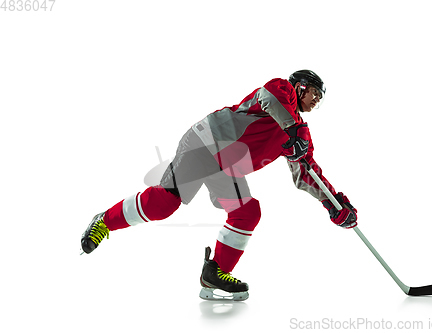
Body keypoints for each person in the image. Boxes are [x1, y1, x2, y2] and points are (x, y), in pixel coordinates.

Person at [80, 70, 358, 301]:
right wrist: (292, 130)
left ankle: (213, 274)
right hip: (206, 142)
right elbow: (267, 98)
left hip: (226, 165)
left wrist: (333, 203)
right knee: (165, 204)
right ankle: (104, 221)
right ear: (301, 86)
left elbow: (308, 174)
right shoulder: (282, 90)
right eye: (315, 95)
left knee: (248, 212)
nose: (315, 102)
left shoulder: (300, 134)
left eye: (319, 100)